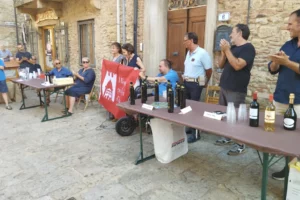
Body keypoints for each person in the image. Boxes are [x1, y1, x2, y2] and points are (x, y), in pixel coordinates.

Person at [268, 9, 300, 181]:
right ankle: (287, 169)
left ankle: (295, 175)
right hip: (280, 98)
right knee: (280, 136)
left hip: (299, 102)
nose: (287, 27)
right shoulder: (288, 45)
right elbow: (273, 69)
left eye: (290, 23)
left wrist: (287, 62)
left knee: (296, 140)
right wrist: (275, 62)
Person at [214, 24, 256, 156]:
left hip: (236, 89)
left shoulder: (248, 48)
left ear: (240, 33)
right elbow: (220, 65)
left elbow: (238, 65)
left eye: (232, 32)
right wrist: (223, 51)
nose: (230, 35)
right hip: (225, 86)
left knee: (237, 116)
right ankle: (227, 137)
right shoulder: (231, 48)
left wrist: (227, 51)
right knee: (225, 114)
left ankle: (240, 144)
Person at [183, 32, 212, 143]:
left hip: (196, 84)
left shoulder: (202, 53)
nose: (184, 42)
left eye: (185, 40)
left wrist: (205, 82)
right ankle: (190, 127)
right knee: (187, 107)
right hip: (186, 83)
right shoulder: (188, 53)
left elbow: (209, 70)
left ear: (191, 40)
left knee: (195, 109)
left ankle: (196, 133)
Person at [108, 42, 125, 120]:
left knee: (117, 97)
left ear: (118, 49)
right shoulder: (113, 57)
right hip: (112, 79)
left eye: (114, 48)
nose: (112, 49)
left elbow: (122, 68)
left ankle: (117, 115)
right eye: (112, 48)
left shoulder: (121, 57)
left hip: (118, 80)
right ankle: (112, 113)